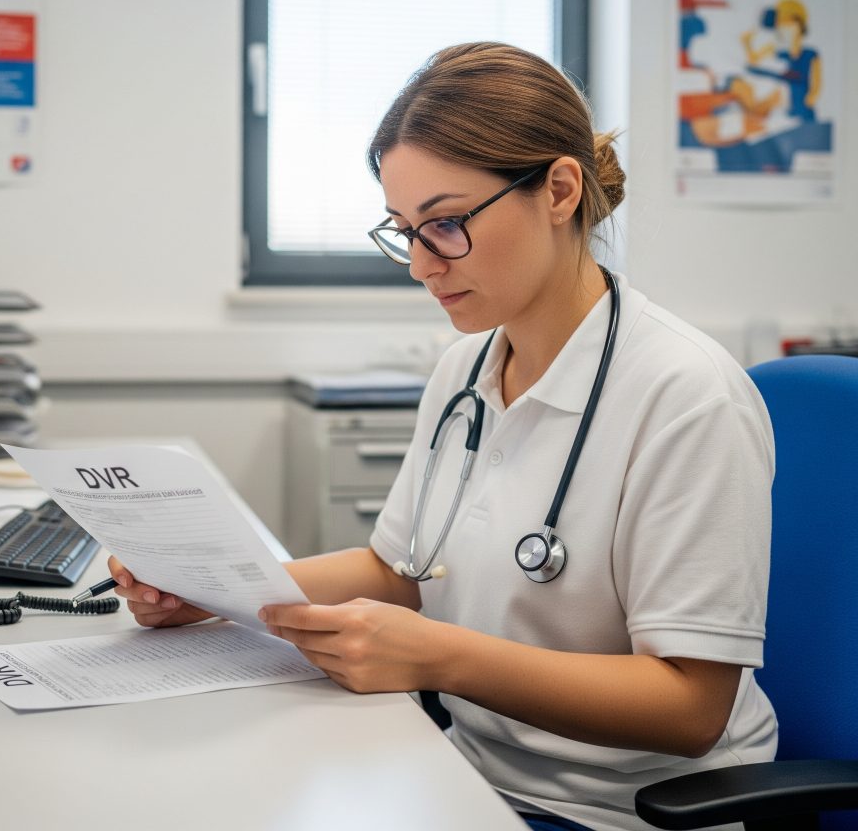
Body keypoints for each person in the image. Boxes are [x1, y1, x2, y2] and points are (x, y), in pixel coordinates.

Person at [109, 43, 776, 831]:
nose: (423, 266)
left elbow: (692, 708)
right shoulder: (467, 369)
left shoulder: (687, 395)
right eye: (405, 232)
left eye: (447, 224)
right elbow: (403, 571)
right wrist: (218, 592)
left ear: (560, 190)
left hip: (624, 813)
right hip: (467, 772)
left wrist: (434, 655)